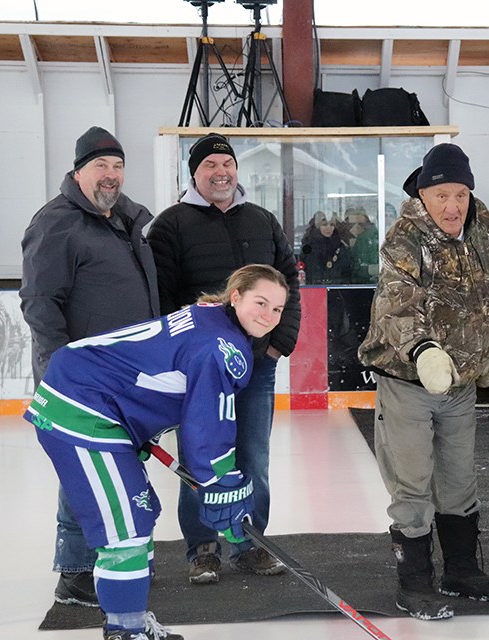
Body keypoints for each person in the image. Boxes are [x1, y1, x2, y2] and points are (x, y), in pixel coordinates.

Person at [25, 264, 289, 640]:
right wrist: (221, 481)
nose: (269, 315)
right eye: (261, 302)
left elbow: (153, 365)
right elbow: (207, 428)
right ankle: (125, 630)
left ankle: (131, 618)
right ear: (236, 296)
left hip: (97, 400)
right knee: (126, 525)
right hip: (82, 408)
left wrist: (135, 420)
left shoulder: (210, 316)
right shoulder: (221, 347)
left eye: (277, 309)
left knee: (142, 508)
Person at [358, 143, 489, 620]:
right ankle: (415, 583)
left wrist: (483, 348)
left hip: (460, 384)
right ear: (424, 194)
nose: (452, 205)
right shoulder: (405, 238)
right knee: (412, 482)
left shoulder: (483, 226)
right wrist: (424, 351)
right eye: (442, 194)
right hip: (408, 380)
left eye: (460, 193)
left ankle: (462, 571)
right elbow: (395, 305)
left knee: (460, 478)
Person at [146, 133, 302, 584]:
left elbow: (288, 282)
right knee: (201, 457)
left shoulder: (262, 220)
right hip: (200, 372)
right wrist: (178, 358)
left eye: (227, 163)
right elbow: (161, 296)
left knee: (252, 456)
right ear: (193, 174)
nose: (221, 171)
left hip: (256, 364)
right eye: (210, 164)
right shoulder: (170, 225)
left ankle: (250, 544)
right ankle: (203, 549)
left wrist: (279, 342)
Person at [20, 126, 160, 609]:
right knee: (82, 469)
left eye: (117, 166)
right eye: (100, 165)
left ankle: (120, 555)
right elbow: (40, 304)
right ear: (79, 171)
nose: (111, 175)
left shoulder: (129, 220)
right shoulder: (56, 224)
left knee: (123, 468)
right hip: (84, 378)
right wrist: (61, 375)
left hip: (132, 374)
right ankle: (77, 571)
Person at [301, 212, 355, 284]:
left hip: (338, 289)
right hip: (314, 289)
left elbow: (347, 271)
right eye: (324, 224)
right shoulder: (309, 246)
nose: (328, 228)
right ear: (317, 226)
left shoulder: (340, 246)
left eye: (332, 225)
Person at [344, 206, 381, 283]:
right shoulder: (339, 244)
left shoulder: (376, 238)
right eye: (351, 224)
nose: (356, 228)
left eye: (361, 224)